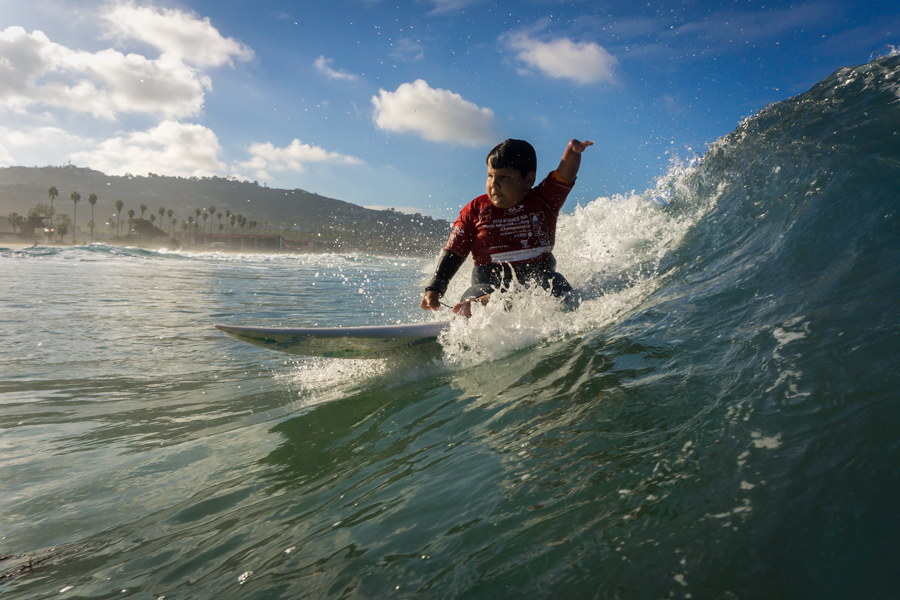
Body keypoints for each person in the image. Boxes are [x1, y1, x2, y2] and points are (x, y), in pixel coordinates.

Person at [421, 137, 593, 318]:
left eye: (504, 177)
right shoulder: (475, 209)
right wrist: (434, 288)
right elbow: (454, 253)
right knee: (476, 294)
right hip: (489, 283)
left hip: (540, 280)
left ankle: (505, 303)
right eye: (490, 176)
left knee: (556, 283)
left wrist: (572, 152)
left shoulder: (545, 199)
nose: (494, 184)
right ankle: (479, 305)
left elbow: (564, 177)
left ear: (528, 179)